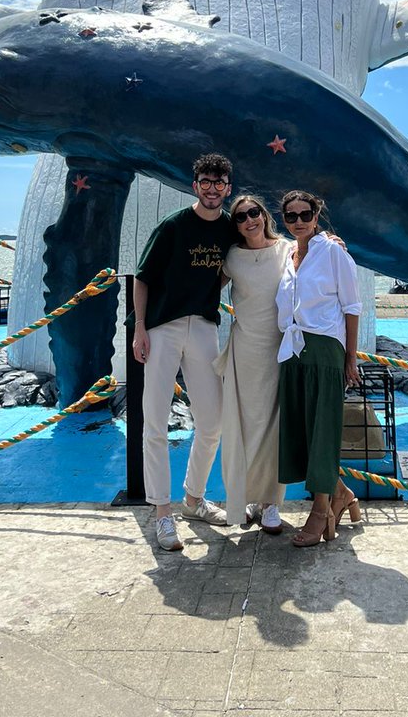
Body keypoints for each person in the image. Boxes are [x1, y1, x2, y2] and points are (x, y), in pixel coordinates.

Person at [132, 153, 236, 551]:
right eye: (205, 182)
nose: (212, 189)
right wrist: (140, 328)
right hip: (163, 326)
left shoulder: (230, 228)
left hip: (204, 326)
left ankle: (193, 499)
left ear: (228, 188)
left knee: (212, 421)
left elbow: (261, 246)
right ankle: (162, 511)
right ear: (195, 186)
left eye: (219, 183)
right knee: (155, 421)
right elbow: (142, 278)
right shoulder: (173, 226)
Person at [275, 190, 362, 547]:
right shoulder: (286, 255)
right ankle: (341, 494)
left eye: (305, 214)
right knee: (301, 430)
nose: (298, 221)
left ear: (316, 215)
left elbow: (352, 306)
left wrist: (350, 357)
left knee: (323, 430)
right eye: (291, 216)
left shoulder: (333, 252)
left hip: (325, 347)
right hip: (292, 350)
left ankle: (321, 510)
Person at [216, 194, 288, 533]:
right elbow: (201, 287)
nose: (249, 220)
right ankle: (244, 496)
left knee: (274, 426)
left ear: (264, 215)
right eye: (241, 217)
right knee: (242, 425)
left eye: (253, 212)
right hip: (244, 350)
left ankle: (271, 502)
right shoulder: (232, 257)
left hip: (279, 349)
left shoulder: (287, 250)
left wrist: (332, 241)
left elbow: (319, 263)